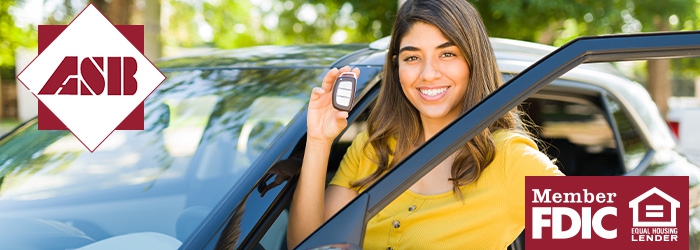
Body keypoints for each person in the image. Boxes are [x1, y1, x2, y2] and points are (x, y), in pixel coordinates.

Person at [287, 0, 564, 249]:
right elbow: (307, 244)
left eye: (447, 54)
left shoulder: (509, 159)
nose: (428, 74)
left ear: (473, 61)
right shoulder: (374, 147)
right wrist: (319, 140)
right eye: (412, 57)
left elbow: (601, 227)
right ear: (397, 66)